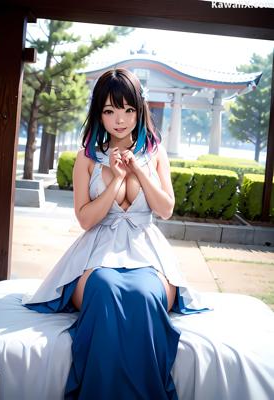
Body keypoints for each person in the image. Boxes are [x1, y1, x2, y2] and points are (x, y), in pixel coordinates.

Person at [23, 68, 208, 400]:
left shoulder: (156, 153)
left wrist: (138, 168)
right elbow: (85, 219)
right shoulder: (87, 158)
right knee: (106, 289)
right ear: (99, 114)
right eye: (109, 110)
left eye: (127, 109)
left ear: (139, 110)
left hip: (146, 250)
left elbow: (165, 209)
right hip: (96, 251)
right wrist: (118, 180)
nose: (119, 119)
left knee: (145, 294)